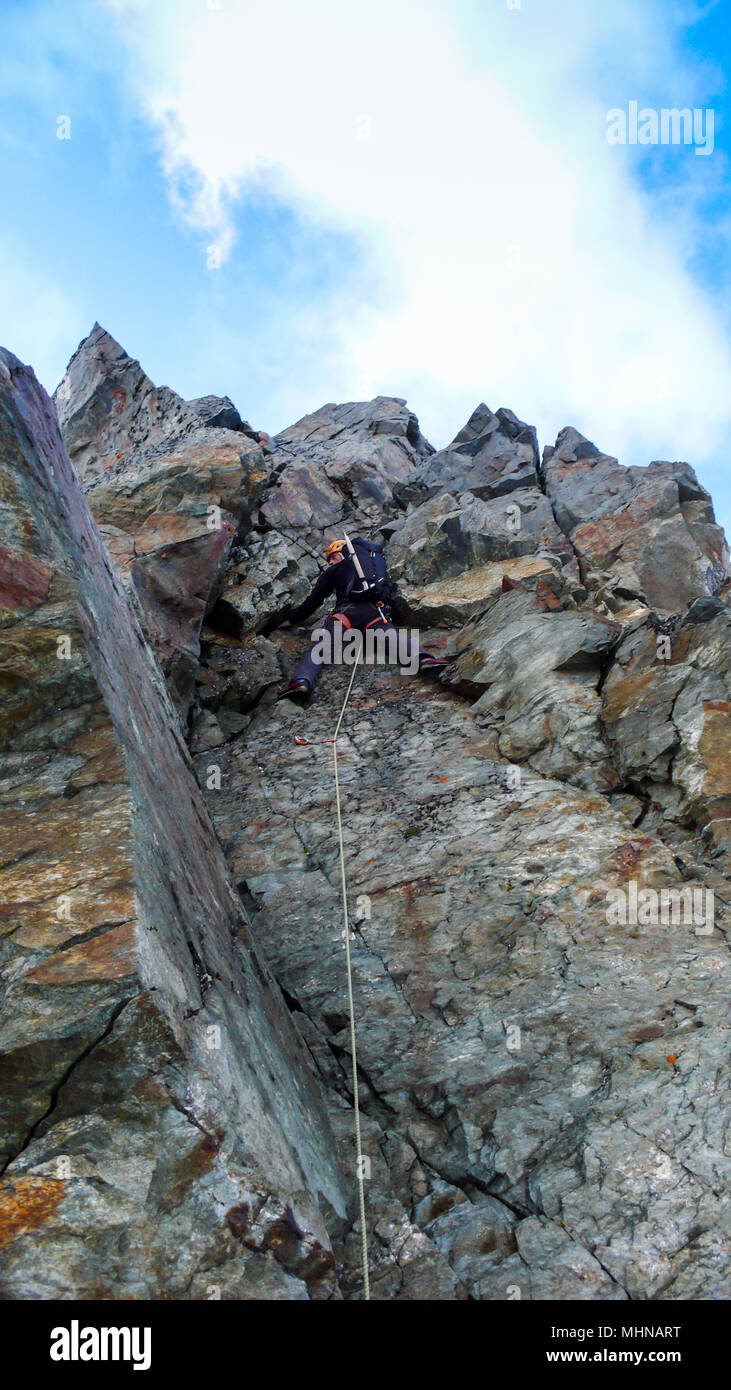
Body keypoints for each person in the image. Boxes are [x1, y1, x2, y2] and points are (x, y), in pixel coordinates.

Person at [271, 537, 446, 705]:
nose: (331, 562)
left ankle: (301, 681)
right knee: (391, 637)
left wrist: (292, 619)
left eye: (332, 557)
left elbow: (314, 600)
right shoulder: (371, 565)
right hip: (373, 611)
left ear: (343, 553)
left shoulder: (334, 571)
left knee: (323, 645)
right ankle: (423, 660)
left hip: (345, 614)